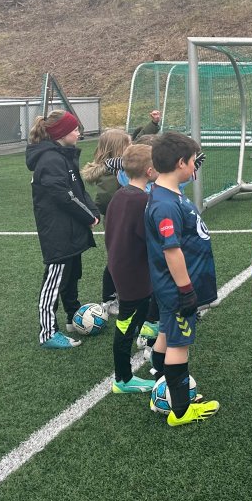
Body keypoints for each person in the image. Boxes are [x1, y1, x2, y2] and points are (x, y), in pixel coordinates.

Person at [145, 132, 219, 426]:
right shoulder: (164, 204)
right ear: (179, 163)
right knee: (179, 343)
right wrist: (187, 290)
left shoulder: (169, 192)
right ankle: (181, 410)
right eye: (192, 162)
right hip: (176, 288)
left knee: (166, 333)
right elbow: (172, 250)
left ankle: (160, 382)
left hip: (170, 287)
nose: (195, 167)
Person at [26, 110, 101, 349]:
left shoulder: (63, 156)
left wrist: (92, 211)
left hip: (71, 229)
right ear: (61, 133)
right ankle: (48, 333)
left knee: (71, 274)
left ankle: (72, 316)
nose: (79, 133)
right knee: (54, 280)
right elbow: (64, 196)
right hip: (57, 231)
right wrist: (88, 217)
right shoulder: (50, 160)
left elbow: (78, 190)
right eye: (75, 129)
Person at [104, 143, 158, 394]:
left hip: (123, 267)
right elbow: (148, 239)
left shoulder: (121, 194)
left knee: (139, 315)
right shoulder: (142, 201)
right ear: (149, 171)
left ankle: (147, 347)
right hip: (133, 274)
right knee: (125, 325)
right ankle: (122, 379)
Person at [82, 127, 132, 316]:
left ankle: (122, 294)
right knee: (116, 260)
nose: (132, 147)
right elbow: (104, 200)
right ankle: (109, 299)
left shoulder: (121, 168)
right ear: (118, 149)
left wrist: (153, 124)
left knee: (127, 259)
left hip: (126, 221)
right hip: (118, 223)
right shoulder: (111, 173)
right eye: (128, 145)